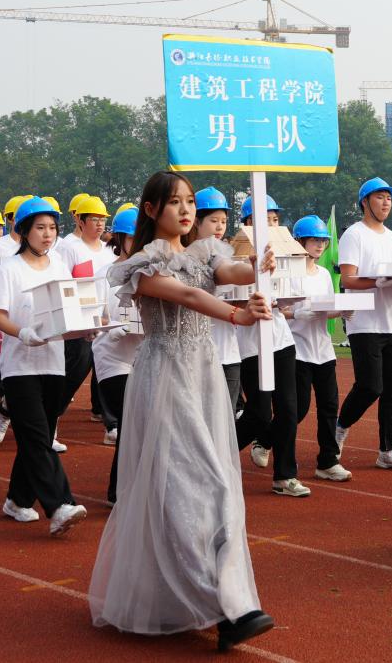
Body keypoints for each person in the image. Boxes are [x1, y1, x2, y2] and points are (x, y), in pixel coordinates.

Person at [89, 171, 276, 651]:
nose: (186, 210)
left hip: (204, 375)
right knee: (195, 487)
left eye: (190, 201)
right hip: (165, 375)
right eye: (175, 202)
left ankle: (219, 601)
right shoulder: (144, 263)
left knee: (213, 486)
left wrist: (258, 265)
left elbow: (229, 272)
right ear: (151, 210)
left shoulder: (205, 251)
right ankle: (225, 605)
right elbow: (189, 295)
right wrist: (236, 315)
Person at [0, 196, 88, 535]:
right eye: (40, 228)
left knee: (37, 436)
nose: (48, 234)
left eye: (52, 228)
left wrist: (86, 326)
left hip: (53, 362)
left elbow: (70, 310)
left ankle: (17, 500)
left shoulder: (59, 267)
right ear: (24, 231)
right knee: (36, 436)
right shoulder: (10, 268)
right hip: (20, 366)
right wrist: (23, 332)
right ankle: (59, 504)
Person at [336, 177, 392, 471]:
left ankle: (388, 451)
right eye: (380, 197)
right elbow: (348, 279)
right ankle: (340, 426)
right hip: (364, 323)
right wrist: (378, 281)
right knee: (370, 386)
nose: (386, 202)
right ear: (365, 202)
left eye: (389, 198)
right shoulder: (354, 235)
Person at [232, 194, 307, 497]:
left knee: (289, 408)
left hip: (280, 339)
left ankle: (285, 475)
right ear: (250, 221)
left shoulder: (282, 250)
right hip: (251, 344)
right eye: (267, 219)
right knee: (259, 414)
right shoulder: (236, 253)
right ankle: (218, 456)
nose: (273, 224)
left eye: (275, 219)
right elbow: (231, 300)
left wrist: (283, 299)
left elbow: (292, 289)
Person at [286, 215, 352, 482]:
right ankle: (266, 439)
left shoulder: (324, 274)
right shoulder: (288, 273)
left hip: (323, 350)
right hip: (297, 349)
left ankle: (327, 461)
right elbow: (277, 309)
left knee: (329, 406)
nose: (320, 245)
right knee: (299, 408)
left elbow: (326, 309)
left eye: (323, 240)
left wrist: (343, 311)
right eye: (314, 240)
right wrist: (296, 313)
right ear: (299, 241)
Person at [90, 204, 143, 503]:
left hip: (144, 356)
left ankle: (128, 487)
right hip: (112, 358)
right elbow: (91, 316)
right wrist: (111, 327)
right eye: (133, 237)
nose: (138, 243)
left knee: (141, 423)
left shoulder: (151, 274)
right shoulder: (104, 274)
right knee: (129, 418)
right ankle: (118, 491)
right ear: (120, 238)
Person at [54, 195, 116, 437]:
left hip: (105, 321)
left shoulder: (109, 251)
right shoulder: (70, 248)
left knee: (106, 370)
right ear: (80, 221)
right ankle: (52, 414)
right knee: (76, 369)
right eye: (94, 219)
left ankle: (111, 423)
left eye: (102, 220)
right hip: (80, 321)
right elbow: (63, 282)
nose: (100, 224)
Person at [194, 188, 243, 413]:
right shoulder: (185, 257)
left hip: (228, 352)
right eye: (213, 221)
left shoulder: (227, 256)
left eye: (223, 221)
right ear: (196, 221)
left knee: (227, 418)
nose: (219, 227)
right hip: (198, 354)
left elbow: (233, 273)